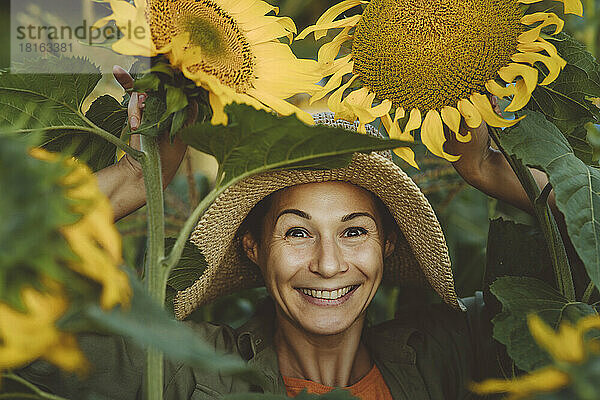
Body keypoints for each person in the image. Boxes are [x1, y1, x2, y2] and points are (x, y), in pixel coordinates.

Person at [16, 67, 559, 400]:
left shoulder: (452, 353)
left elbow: (585, 288)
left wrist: (494, 173)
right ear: (254, 248)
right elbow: (15, 316)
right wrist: (140, 178)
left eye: (354, 231)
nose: (328, 264)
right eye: (298, 233)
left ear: (387, 245)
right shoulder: (183, 370)